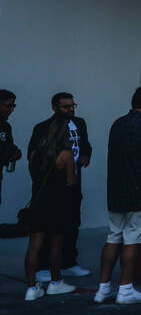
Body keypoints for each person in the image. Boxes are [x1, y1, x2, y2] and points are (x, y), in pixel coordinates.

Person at [94, 86, 141, 305]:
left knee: (113, 236)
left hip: (116, 191)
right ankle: (125, 289)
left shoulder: (118, 124)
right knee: (132, 240)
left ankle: (103, 288)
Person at [29, 92, 91, 282]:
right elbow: (32, 155)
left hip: (73, 183)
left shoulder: (79, 123)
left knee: (72, 223)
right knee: (47, 228)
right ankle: (44, 266)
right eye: (66, 106)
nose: (70, 109)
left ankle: (68, 263)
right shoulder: (43, 128)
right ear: (55, 107)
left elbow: (86, 146)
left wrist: (86, 156)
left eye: (73, 105)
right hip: (50, 186)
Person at [22, 111, 78, 301]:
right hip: (58, 203)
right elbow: (71, 181)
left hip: (38, 202)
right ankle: (55, 282)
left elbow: (33, 176)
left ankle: (31, 287)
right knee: (56, 245)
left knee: (34, 245)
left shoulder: (35, 153)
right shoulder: (65, 154)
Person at [0, 91, 21, 209]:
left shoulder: (5, 126)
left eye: (13, 106)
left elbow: (8, 146)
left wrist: (15, 153)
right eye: (8, 105)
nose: (12, 109)